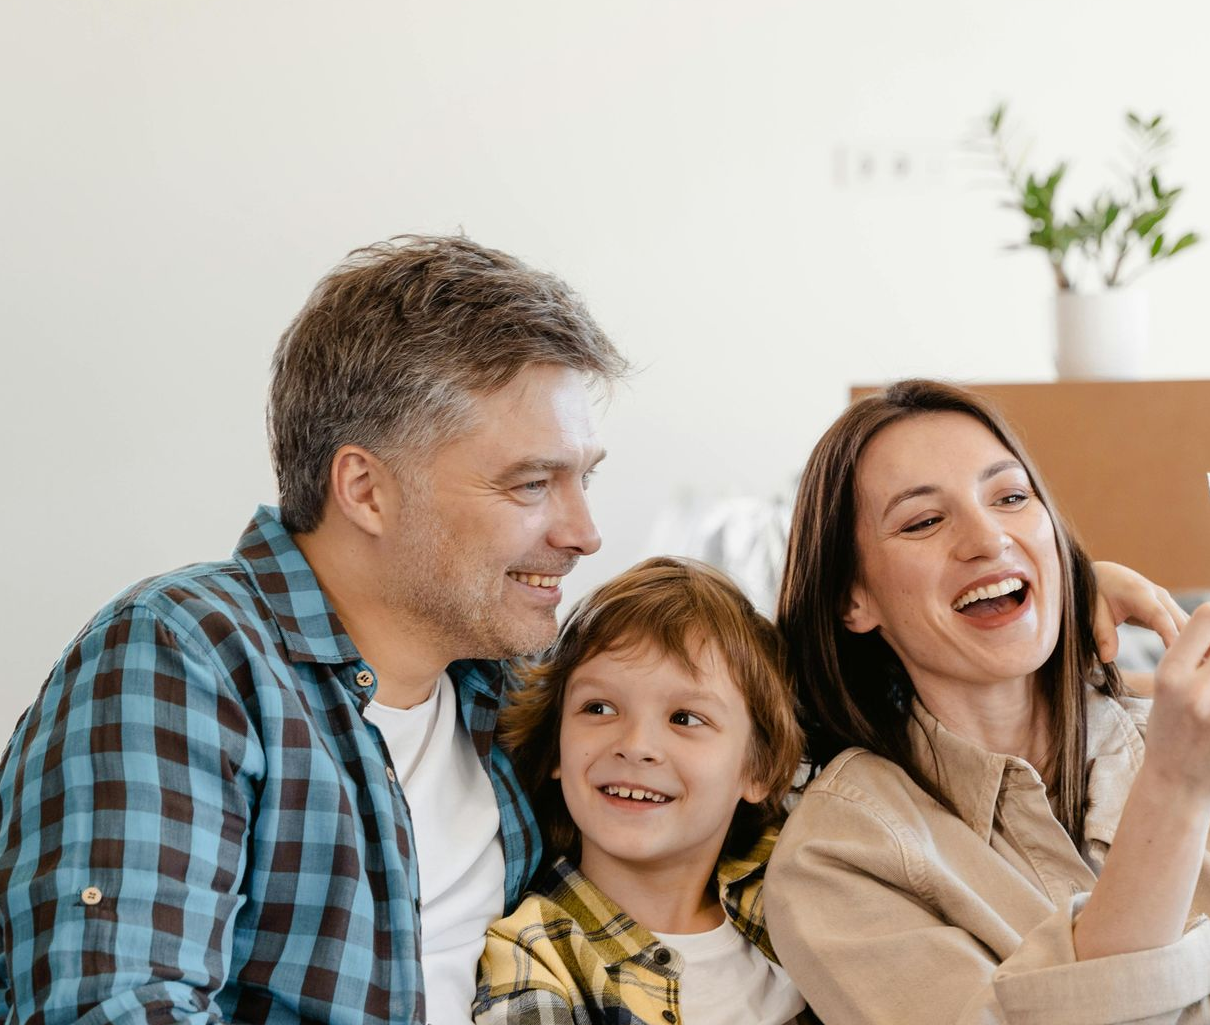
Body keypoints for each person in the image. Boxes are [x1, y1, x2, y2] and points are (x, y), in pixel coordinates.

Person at [0, 235, 626, 1025]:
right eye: (532, 484)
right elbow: (115, 1007)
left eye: (584, 478)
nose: (584, 533)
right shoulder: (185, 655)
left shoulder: (519, 692)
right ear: (364, 489)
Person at [766, 378, 1210, 1024]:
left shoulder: (1171, 728)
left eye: (1011, 497)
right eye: (923, 521)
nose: (988, 538)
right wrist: (1172, 788)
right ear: (851, 599)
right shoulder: (836, 857)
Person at [472, 557, 817, 1024]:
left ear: (759, 769)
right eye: (599, 708)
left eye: (685, 719)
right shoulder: (533, 955)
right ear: (556, 747)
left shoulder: (794, 880)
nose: (635, 746)